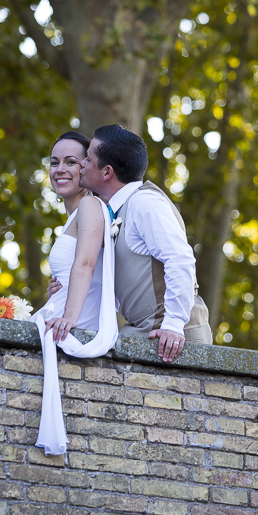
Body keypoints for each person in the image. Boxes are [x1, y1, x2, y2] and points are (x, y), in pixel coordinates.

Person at [79, 124, 212, 363]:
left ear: (107, 172)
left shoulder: (144, 203)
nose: (81, 164)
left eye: (88, 159)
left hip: (174, 337)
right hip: (144, 331)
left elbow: (179, 258)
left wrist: (173, 325)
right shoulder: (112, 212)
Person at [31, 131, 118, 456]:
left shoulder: (91, 205)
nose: (60, 169)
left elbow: (85, 264)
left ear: (86, 167)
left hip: (77, 321)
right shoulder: (74, 214)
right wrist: (58, 291)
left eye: (71, 161)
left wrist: (68, 315)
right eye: (54, 162)